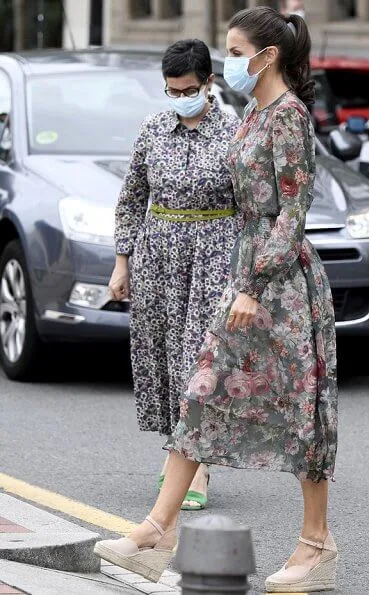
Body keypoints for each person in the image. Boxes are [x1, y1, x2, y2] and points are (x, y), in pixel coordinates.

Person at [95, 7, 338, 592]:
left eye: (233, 51)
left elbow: (292, 215)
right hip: (245, 278)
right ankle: (157, 531)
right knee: (200, 394)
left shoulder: (288, 118)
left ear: (266, 56)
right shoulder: (253, 113)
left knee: (303, 413)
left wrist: (252, 286)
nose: (227, 61)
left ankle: (316, 545)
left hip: (281, 288)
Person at [108, 39, 240, 511]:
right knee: (162, 358)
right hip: (158, 254)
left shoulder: (234, 132)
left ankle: (198, 460)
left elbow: (250, 207)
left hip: (212, 256)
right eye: (171, 89)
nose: (180, 96)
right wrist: (122, 262)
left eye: (188, 88)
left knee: (198, 362)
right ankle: (176, 447)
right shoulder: (153, 129)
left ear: (208, 84)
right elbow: (130, 197)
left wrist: (246, 276)